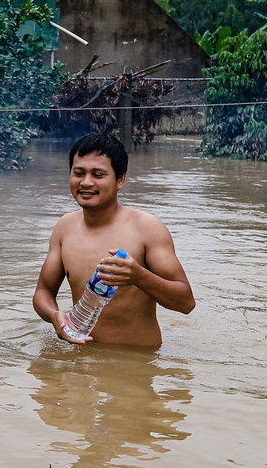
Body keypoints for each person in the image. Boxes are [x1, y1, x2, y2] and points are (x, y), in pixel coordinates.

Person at [33, 133, 194, 346]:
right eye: (78, 173)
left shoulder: (147, 228)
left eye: (98, 175)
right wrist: (54, 316)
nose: (86, 182)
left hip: (135, 363)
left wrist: (139, 277)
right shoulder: (65, 227)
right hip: (81, 360)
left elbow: (186, 303)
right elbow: (43, 292)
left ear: (120, 179)